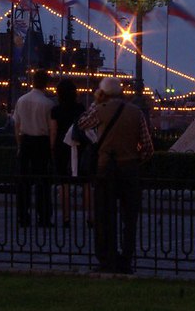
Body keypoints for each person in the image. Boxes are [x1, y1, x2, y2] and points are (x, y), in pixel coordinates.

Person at [76, 78, 151, 274]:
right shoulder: (136, 112)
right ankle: (126, 260)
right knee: (129, 218)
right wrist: (135, 158)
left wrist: (96, 102)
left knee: (104, 216)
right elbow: (148, 147)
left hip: (105, 169)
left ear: (103, 93)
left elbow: (82, 123)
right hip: (130, 169)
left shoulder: (100, 109)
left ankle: (106, 259)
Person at [14, 70, 55, 228]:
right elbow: (52, 129)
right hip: (42, 142)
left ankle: (23, 216)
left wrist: (19, 144)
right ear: (46, 84)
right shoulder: (48, 104)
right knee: (43, 181)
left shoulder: (21, 100)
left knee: (23, 181)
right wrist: (51, 148)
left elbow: (17, 125)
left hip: (25, 140)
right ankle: (43, 216)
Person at [50, 79, 86, 227]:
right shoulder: (80, 108)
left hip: (61, 145)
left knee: (64, 182)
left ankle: (66, 217)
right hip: (78, 145)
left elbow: (53, 130)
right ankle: (90, 217)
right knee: (86, 182)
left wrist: (52, 147)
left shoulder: (55, 110)